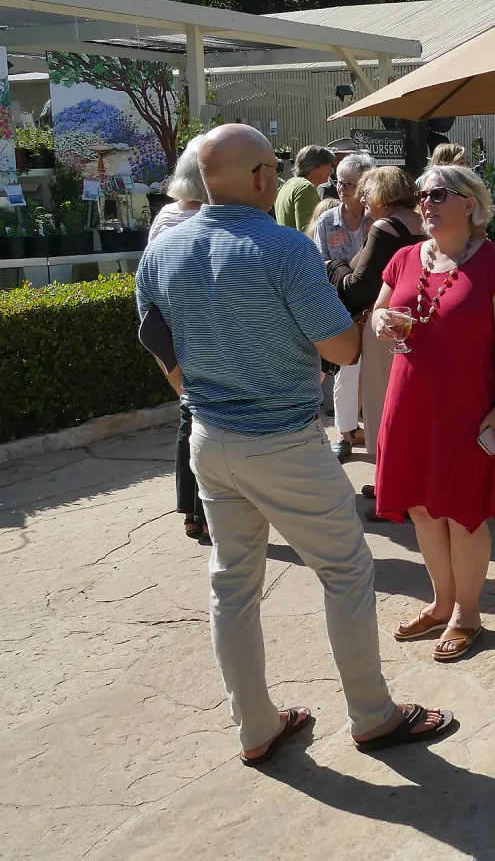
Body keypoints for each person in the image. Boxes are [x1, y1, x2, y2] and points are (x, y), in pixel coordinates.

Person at [134, 123, 453, 764]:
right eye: (271, 168)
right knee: (347, 572)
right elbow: (337, 348)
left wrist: (194, 394)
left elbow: (154, 337)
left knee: (232, 584)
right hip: (282, 441)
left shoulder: (162, 247)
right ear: (256, 177)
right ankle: (373, 714)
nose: (276, 177)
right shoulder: (282, 247)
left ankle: (255, 728)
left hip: (210, 440)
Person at [371, 163, 495, 661]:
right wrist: (380, 321)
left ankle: (467, 612)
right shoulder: (403, 258)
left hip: (466, 410)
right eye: (421, 195)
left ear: (469, 202)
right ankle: (441, 603)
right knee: (420, 507)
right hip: (409, 402)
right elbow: (379, 309)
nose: (426, 203)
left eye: (439, 194)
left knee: (462, 514)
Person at [328, 165, 426, 494]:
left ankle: (391, 488)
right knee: (412, 409)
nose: (363, 199)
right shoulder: (425, 225)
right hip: (420, 324)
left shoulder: (385, 228)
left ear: (383, 195)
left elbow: (357, 287)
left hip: (387, 327)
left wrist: (334, 265)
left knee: (385, 406)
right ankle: (409, 482)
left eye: (367, 192)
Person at [149, 136, 209, 540]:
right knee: (204, 418)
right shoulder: (208, 218)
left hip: (173, 327)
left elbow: (149, 277)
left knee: (190, 416)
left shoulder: (166, 216)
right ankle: (203, 508)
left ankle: (190, 508)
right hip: (204, 328)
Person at [312, 154, 373, 461]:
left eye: (350, 183)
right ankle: (345, 433)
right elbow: (318, 262)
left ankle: (376, 432)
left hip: (374, 307)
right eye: (339, 181)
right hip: (340, 306)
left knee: (375, 371)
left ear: (365, 187)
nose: (342, 188)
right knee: (346, 371)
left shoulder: (376, 221)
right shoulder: (326, 221)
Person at [275, 144, 335, 232]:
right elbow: (307, 232)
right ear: (315, 166)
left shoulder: (288, 184)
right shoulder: (305, 188)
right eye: (328, 165)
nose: (331, 170)